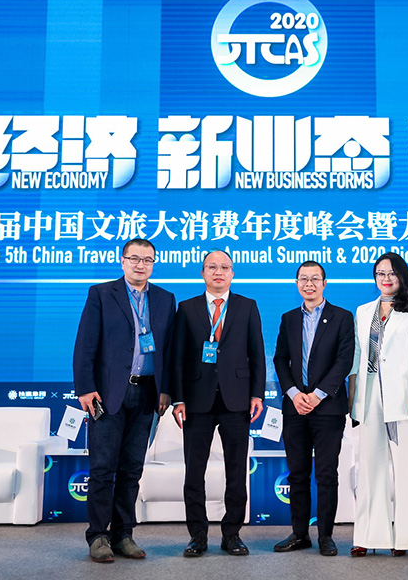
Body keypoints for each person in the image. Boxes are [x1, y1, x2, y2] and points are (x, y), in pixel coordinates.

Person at [72, 238, 176, 563]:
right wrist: (85, 388)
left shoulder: (165, 299)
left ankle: (123, 534)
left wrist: (166, 389)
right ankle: (98, 536)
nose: (140, 265)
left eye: (147, 260)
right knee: (103, 468)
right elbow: (85, 345)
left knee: (132, 469)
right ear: (123, 261)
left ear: (153, 263)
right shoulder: (102, 294)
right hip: (107, 395)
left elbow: (169, 350)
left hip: (147, 394)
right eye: (134, 258)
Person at [170, 250, 266, 557]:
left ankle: (232, 535)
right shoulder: (187, 308)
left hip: (236, 400)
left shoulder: (247, 306)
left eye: (225, 267)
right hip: (196, 401)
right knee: (194, 472)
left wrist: (257, 394)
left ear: (232, 273)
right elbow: (178, 357)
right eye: (212, 267)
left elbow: (257, 353)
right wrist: (178, 398)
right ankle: (197, 536)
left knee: (236, 472)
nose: (218, 272)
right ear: (203, 273)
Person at [349, 252, 408, 557]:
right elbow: (357, 356)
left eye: (391, 273)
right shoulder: (363, 311)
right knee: (369, 469)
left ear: (401, 276)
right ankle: (366, 536)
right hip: (369, 395)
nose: (386, 278)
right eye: (380, 273)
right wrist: (353, 399)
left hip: (404, 397)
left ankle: (403, 539)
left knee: (402, 470)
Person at [273, 261, 355, 557]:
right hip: (294, 407)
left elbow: (344, 360)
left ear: (324, 283)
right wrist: (295, 394)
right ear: (297, 284)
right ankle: (299, 534)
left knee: (326, 474)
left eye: (315, 279)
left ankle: (326, 536)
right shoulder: (288, 318)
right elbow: (280, 359)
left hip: (328, 408)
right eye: (303, 279)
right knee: (297, 474)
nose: (309, 284)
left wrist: (318, 395)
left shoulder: (342, 317)